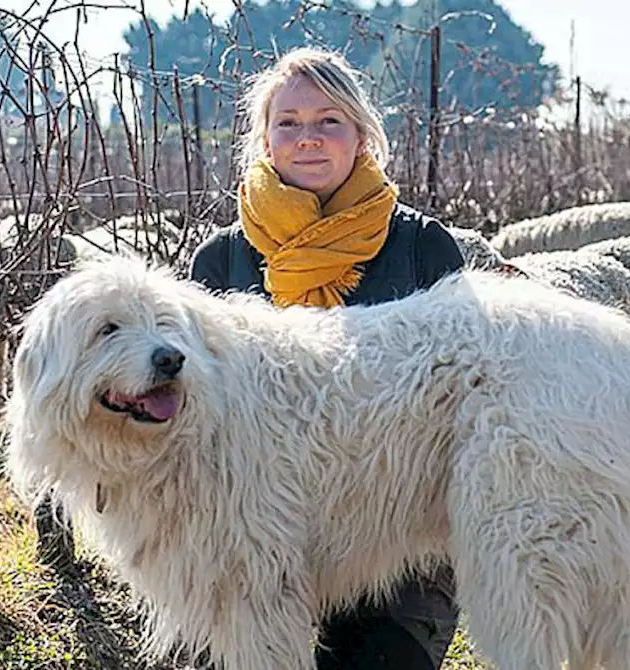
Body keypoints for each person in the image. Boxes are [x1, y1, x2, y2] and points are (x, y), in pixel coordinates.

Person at [189, 47, 463, 670]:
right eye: (288, 123)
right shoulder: (220, 262)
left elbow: (462, 397)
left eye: (329, 121)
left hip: (396, 548)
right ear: (264, 140)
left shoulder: (422, 249)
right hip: (248, 545)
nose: (307, 139)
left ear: (362, 137)